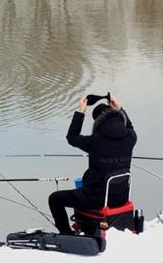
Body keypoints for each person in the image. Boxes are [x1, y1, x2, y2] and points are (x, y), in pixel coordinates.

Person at [48, 96, 137, 234]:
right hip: (121, 197)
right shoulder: (131, 137)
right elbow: (130, 126)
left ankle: (66, 233)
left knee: (55, 199)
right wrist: (120, 108)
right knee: (80, 192)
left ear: (98, 123)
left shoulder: (95, 141)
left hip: (96, 199)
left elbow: (71, 137)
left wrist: (81, 111)